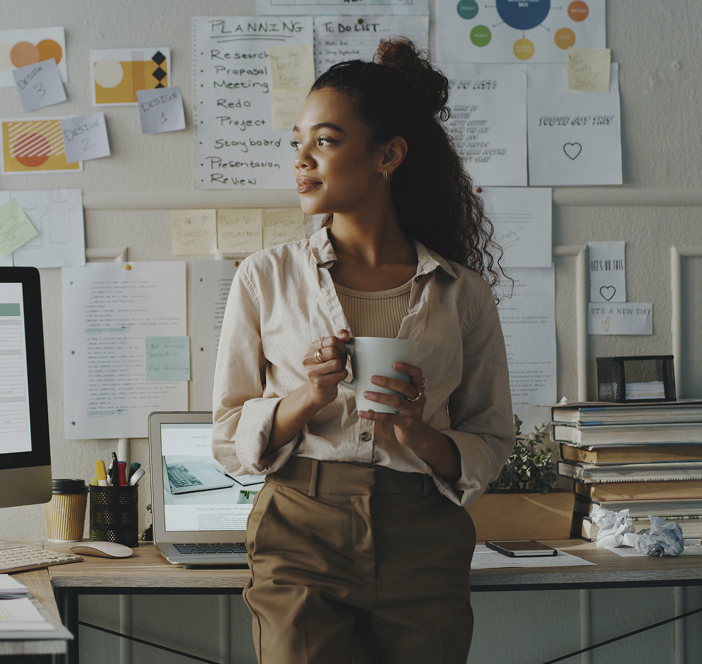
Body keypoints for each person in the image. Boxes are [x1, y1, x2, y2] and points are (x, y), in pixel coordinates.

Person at [211, 38, 515, 664]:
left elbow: (492, 439)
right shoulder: (263, 277)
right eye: (296, 142)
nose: (301, 160)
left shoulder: (463, 292)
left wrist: (417, 433)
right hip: (299, 527)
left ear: (389, 155)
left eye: (323, 140)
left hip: (424, 535)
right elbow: (227, 434)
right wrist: (309, 395)